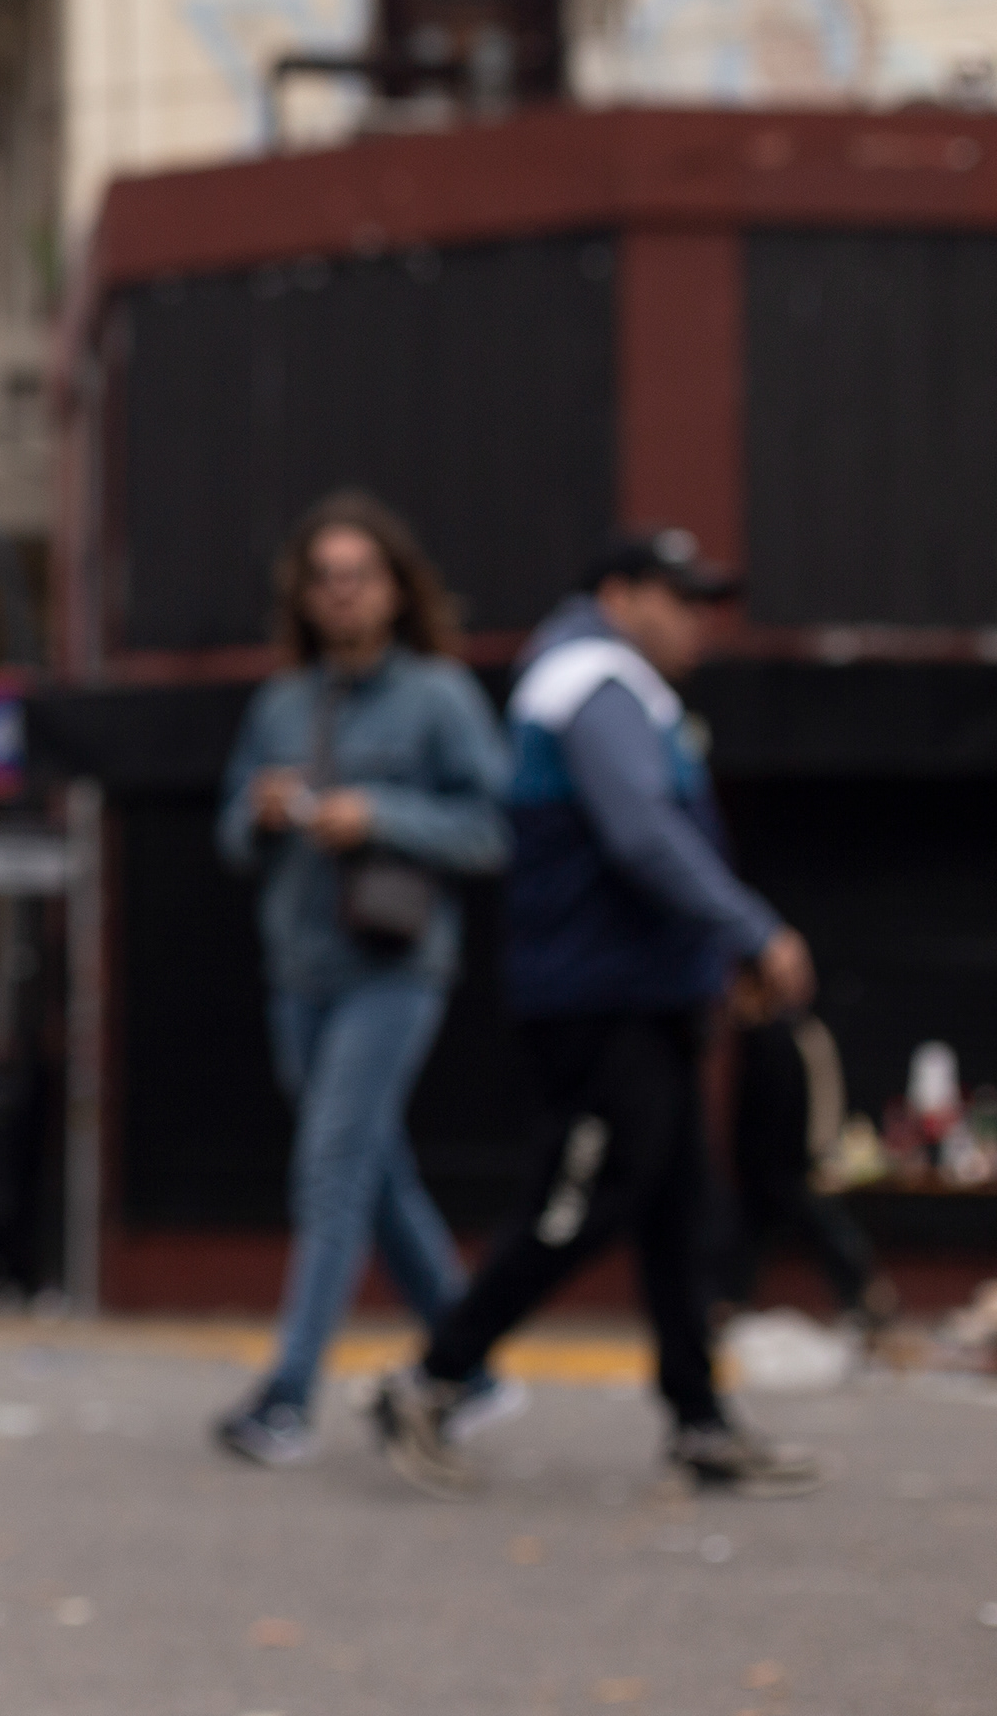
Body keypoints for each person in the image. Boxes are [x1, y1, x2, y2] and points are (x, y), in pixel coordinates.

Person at [377, 531, 827, 1499]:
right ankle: (432, 1378)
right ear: (620, 595)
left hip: (643, 995)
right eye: (681, 598)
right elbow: (643, 836)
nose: (700, 621)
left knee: (678, 1213)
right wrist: (753, 932)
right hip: (599, 1003)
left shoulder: (616, 687)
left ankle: (700, 1419)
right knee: (577, 1207)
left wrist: (711, 957)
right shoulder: (592, 681)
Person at [207, 494, 515, 1467]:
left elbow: (493, 829)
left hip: (395, 968)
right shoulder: (280, 704)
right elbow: (230, 839)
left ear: (395, 588)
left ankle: (288, 1397)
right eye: (325, 577)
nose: (342, 593)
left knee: (333, 1168)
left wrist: (376, 815)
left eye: (360, 575)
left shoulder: (438, 697)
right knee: (374, 1174)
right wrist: (261, 815)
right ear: (303, 594)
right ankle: (471, 1365)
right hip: (298, 970)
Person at [712, 963, 884, 1329]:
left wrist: (809, 1155)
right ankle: (728, 1301)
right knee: (757, 1233)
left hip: (782, 1165)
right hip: (773, 1166)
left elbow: (787, 1109)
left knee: (817, 1226)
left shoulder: (780, 1038)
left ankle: (866, 1295)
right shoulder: (769, 1036)